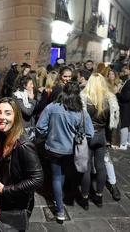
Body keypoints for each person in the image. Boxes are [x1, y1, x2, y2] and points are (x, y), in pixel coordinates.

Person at [36, 81, 94, 221]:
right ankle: (59, 200)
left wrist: (48, 135)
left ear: (63, 92)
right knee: (61, 175)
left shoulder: (52, 107)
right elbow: (90, 133)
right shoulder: (81, 112)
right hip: (69, 150)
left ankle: (59, 209)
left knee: (57, 176)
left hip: (52, 148)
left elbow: (40, 127)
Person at [0, 97, 44, 230]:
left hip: (17, 204)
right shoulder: (4, 136)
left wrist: (5, 190)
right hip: (7, 201)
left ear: (16, 116)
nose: (2, 117)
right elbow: (12, 163)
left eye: (8, 113)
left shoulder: (23, 145)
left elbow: (37, 179)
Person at [79, 73, 121, 209]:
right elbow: (115, 122)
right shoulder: (110, 98)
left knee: (86, 167)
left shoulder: (84, 97)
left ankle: (85, 198)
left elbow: (79, 119)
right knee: (101, 165)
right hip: (102, 136)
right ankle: (99, 197)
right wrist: (115, 140)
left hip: (88, 136)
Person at [13, 75, 37, 141]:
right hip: (23, 128)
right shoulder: (18, 96)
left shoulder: (28, 94)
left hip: (30, 126)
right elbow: (28, 112)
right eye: (31, 84)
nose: (33, 86)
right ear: (24, 85)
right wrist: (31, 100)